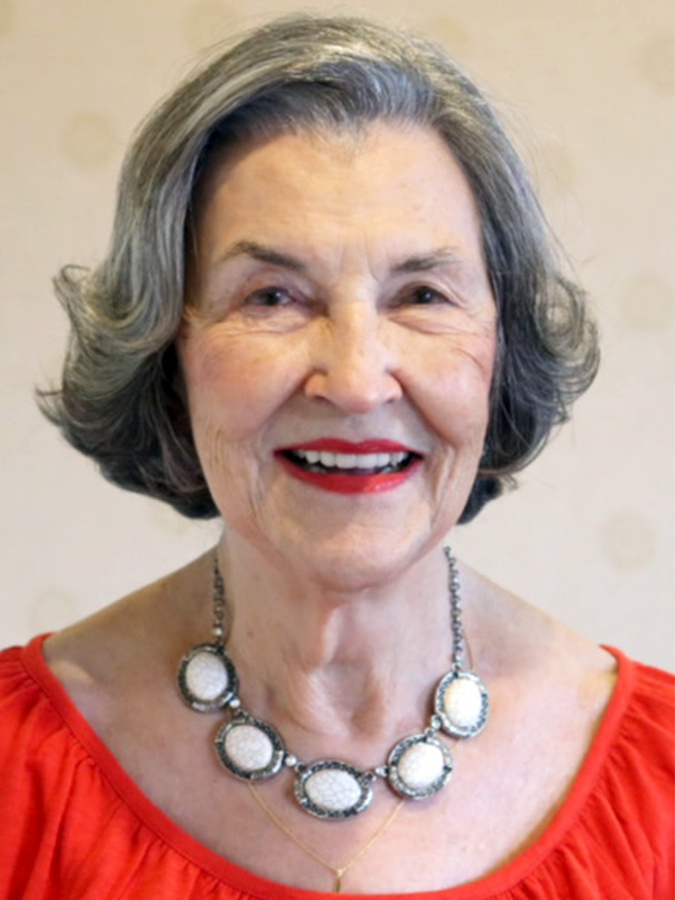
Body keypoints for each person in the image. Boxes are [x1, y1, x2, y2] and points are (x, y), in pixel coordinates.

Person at [0, 13, 672, 899]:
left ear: (500, 351)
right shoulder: (18, 775)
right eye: (272, 297)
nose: (356, 382)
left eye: (421, 295)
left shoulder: (658, 787)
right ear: (167, 351)